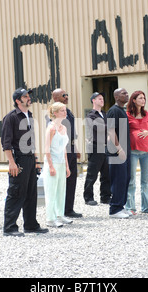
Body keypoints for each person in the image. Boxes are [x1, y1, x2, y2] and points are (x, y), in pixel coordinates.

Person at [1, 88, 49, 237]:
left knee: (31, 193)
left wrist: (35, 160)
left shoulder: (29, 116)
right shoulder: (11, 118)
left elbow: (31, 142)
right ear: (17, 100)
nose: (29, 98)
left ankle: (31, 225)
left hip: (29, 158)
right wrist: (11, 162)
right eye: (25, 97)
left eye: (28, 96)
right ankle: (9, 227)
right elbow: (6, 143)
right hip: (18, 159)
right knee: (16, 193)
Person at [51, 89, 82, 218]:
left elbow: (71, 132)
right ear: (57, 97)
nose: (67, 97)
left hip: (70, 148)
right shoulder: (54, 113)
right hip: (60, 150)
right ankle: (59, 209)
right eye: (64, 95)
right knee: (61, 180)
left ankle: (68, 208)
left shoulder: (67, 112)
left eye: (67, 94)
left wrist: (76, 148)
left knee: (71, 179)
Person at [126, 91, 148, 214]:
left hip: (146, 151)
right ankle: (130, 207)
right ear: (134, 100)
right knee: (132, 180)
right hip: (133, 151)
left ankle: (147, 207)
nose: (143, 100)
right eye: (140, 98)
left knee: (145, 181)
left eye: (144, 98)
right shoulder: (127, 115)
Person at [43, 102, 72, 227]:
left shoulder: (64, 128)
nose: (65, 113)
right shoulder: (51, 128)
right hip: (53, 162)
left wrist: (66, 166)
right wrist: (50, 166)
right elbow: (46, 149)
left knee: (61, 190)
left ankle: (60, 215)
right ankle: (50, 218)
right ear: (55, 113)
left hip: (61, 162)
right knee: (51, 190)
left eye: (65, 110)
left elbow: (64, 148)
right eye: (62, 111)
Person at [83, 92, 112, 206]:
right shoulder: (91, 115)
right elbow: (99, 127)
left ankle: (105, 197)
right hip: (95, 147)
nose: (102, 100)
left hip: (106, 147)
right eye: (99, 99)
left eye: (103, 98)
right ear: (93, 101)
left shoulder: (104, 114)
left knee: (106, 174)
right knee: (92, 174)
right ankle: (88, 197)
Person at [107, 88, 131, 219]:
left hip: (125, 151)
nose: (126, 95)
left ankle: (121, 206)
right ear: (116, 97)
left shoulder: (122, 111)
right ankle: (115, 209)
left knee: (126, 178)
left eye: (127, 93)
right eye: (123, 93)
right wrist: (119, 149)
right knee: (118, 179)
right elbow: (110, 131)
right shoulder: (113, 111)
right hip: (116, 152)